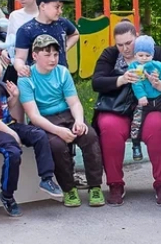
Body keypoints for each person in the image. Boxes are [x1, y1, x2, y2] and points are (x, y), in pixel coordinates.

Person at [91, 21, 161, 206]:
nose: (124, 49)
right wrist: (121, 79)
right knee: (108, 126)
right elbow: (96, 82)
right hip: (117, 107)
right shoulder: (110, 54)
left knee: (157, 125)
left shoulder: (154, 52)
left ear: (136, 36)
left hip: (150, 106)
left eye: (128, 43)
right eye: (119, 44)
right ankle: (115, 184)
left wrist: (157, 84)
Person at [20, 34, 105, 208]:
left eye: (56, 55)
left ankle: (95, 186)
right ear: (35, 56)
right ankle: (68, 188)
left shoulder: (62, 72)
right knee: (57, 146)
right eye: (47, 54)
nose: (52, 59)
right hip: (44, 119)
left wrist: (79, 121)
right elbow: (34, 116)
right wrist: (58, 131)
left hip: (66, 114)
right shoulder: (26, 79)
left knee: (89, 137)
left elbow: (74, 102)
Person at [0, 49, 56, 218]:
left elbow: (6, 109)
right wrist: (13, 134)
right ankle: (7, 194)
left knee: (39, 134)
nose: (2, 67)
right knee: (13, 152)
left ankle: (46, 178)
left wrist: (15, 96)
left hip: (9, 125)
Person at [127, 35, 161, 161]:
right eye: (141, 55)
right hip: (145, 100)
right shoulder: (135, 67)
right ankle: (135, 144)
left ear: (152, 55)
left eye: (147, 56)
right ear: (136, 55)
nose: (144, 58)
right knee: (137, 120)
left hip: (158, 98)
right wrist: (141, 96)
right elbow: (136, 83)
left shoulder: (157, 65)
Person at [14, 0, 79, 75]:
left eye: (61, 8)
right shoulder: (26, 30)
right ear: (43, 6)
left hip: (61, 76)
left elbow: (75, 34)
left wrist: (64, 48)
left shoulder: (63, 23)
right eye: (57, 7)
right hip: (39, 80)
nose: (60, 11)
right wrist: (21, 68)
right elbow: (19, 58)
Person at [4, 0, 40, 78]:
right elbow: (9, 42)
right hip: (19, 67)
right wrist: (5, 52)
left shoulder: (44, 15)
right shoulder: (14, 16)